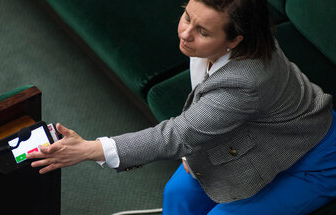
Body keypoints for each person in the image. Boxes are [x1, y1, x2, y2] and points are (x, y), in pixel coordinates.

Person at [27, 0, 336, 214]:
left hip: (313, 160)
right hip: (261, 134)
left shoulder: (245, 82)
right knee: (176, 194)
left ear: (236, 40)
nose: (185, 34)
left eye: (202, 32)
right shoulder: (242, 34)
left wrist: (88, 149)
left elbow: (176, 135)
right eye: (187, 16)